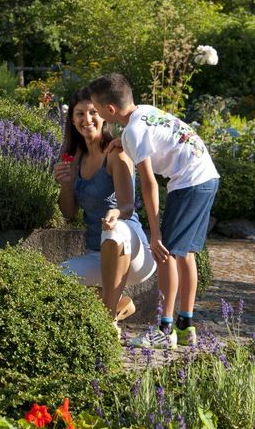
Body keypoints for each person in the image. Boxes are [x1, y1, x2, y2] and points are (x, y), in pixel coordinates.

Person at [88, 73, 219, 349]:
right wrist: (125, 142)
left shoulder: (133, 133)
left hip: (189, 184)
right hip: (207, 176)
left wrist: (155, 233)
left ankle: (165, 328)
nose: (96, 114)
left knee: (165, 254)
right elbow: (158, 137)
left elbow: (148, 184)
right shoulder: (143, 113)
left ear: (110, 111)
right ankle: (186, 325)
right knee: (186, 255)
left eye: (96, 109)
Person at [53, 88, 156, 331]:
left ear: (103, 115)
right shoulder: (73, 157)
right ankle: (118, 303)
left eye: (92, 112)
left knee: (114, 230)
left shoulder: (116, 152)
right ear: (72, 119)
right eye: (79, 113)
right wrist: (66, 186)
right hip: (97, 255)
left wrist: (116, 214)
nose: (86, 119)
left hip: (132, 253)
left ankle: (107, 321)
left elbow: (128, 206)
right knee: (55, 280)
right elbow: (68, 214)